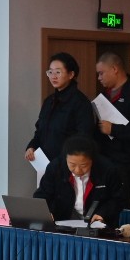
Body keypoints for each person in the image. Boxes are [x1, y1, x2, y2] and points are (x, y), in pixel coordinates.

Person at [92, 52, 130, 205]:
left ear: (114, 69)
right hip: (104, 158)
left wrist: (114, 129)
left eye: (101, 73)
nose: (99, 78)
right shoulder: (104, 95)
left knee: (120, 202)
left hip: (126, 161)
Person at [23, 52, 88, 181]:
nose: (53, 76)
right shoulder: (49, 101)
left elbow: (83, 138)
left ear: (71, 74)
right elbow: (40, 130)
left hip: (68, 166)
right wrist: (32, 146)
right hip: (44, 164)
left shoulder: (80, 102)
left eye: (58, 72)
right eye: (50, 72)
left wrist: (65, 161)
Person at [36, 135, 126, 227]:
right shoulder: (55, 168)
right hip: (63, 221)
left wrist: (103, 213)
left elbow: (118, 198)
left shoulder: (107, 169)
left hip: (97, 222)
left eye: (83, 165)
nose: (78, 170)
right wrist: (47, 212)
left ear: (92, 160)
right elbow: (42, 195)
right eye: (72, 164)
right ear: (66, 158)